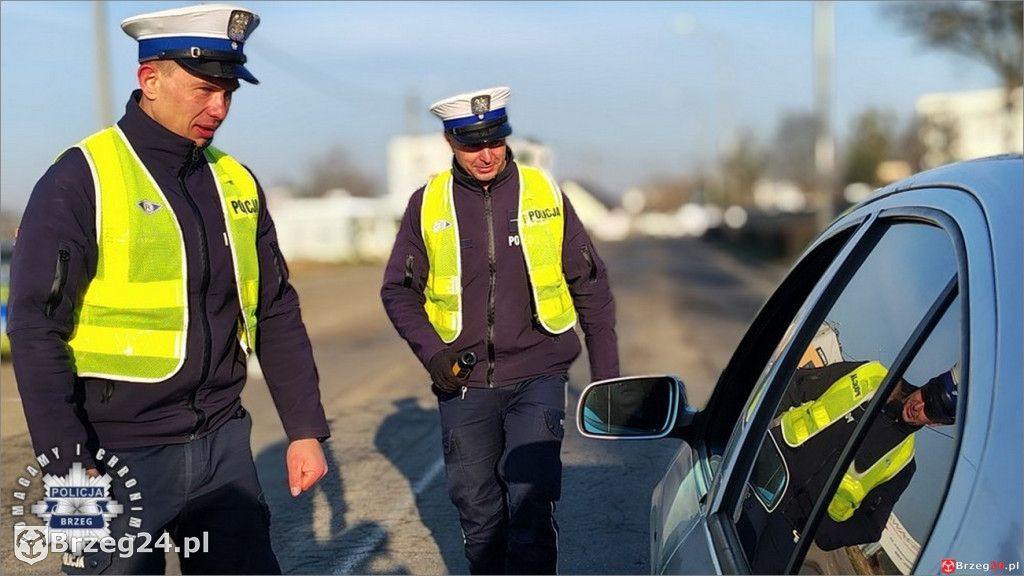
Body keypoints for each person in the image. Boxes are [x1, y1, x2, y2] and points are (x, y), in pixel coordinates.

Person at [7, 4, 329, 574]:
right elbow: (35, 328)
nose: (220, 108)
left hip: (223, 448)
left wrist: (304, 430)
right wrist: (68, 472)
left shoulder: (236, 181)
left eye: (229, 92)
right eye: (205, 89)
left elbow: (274, 308)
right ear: (149, 80)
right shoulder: (82, 178)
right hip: (115, 456)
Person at [380, 86, 619, 574]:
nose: (486, 154)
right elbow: (398, 291)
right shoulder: (426, 204)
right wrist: (433, 355)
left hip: (539, 373)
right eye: (472, 144)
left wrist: (608, 381)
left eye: (495, 139)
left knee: (531, 505)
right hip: (463, 384)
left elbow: (590, 284)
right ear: (450, 142)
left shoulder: (545, 194)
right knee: (480, 515)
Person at [742, 360, 960, 573]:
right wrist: (748, 430)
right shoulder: (871, 375)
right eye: (927, 395)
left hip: (791, 528)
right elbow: (797, 386)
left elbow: (872, 526)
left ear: (936, 423)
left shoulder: (903, 463)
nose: (919, 406)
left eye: (931, 411)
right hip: (763, 476)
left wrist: (824, 531)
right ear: (927, 383)